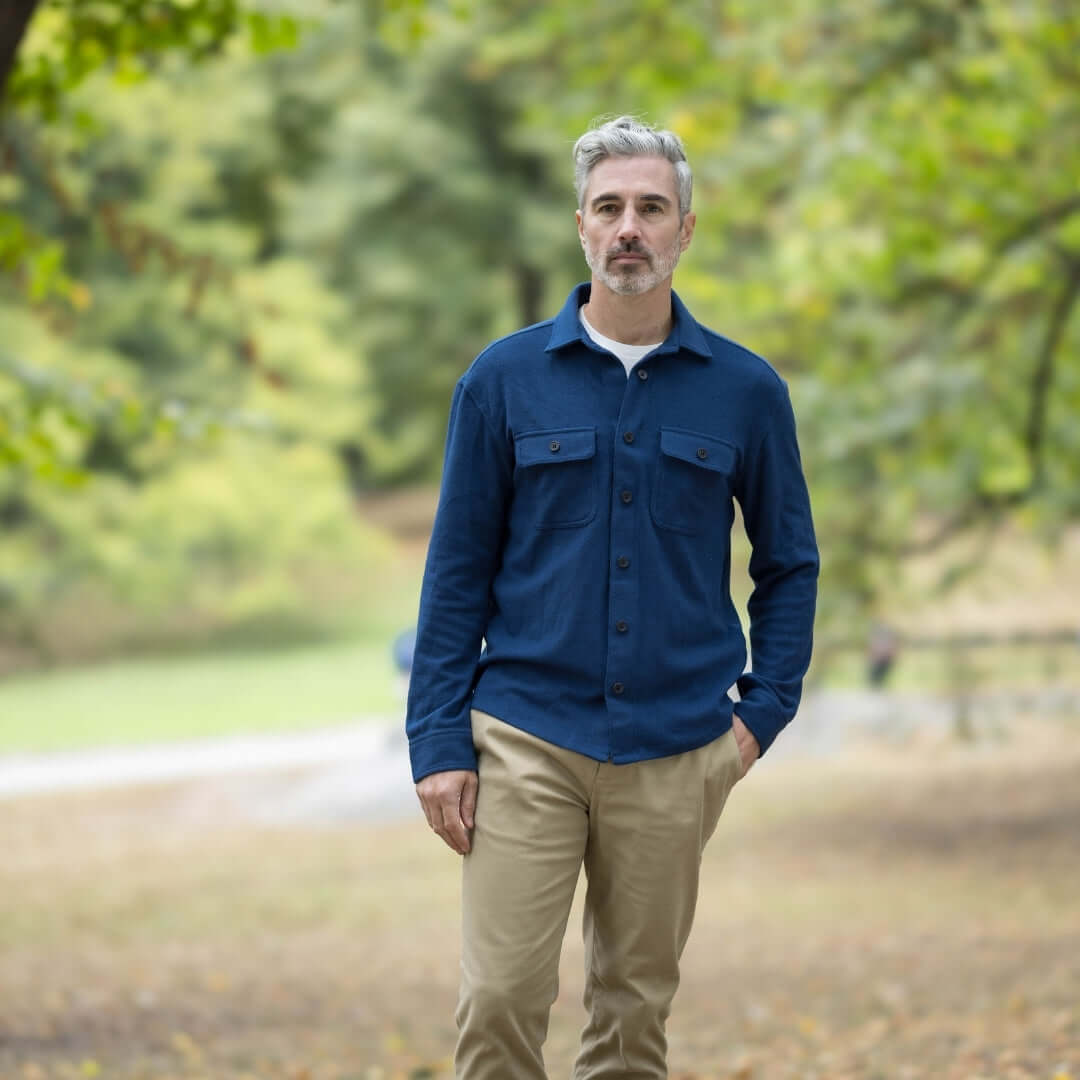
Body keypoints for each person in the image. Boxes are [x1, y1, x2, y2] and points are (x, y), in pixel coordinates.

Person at [406, 115, 819, 1079]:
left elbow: (789, 564)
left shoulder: (747, 391)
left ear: (685, 230)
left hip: (677, 747)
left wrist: (761, 715)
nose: (629, 227)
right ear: (581, 226)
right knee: (500, 998)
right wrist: (436, 743)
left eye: (651, 208)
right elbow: (455, 570)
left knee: (634, 1017)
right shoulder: (502, 381)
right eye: (609, 208)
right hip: (525, 736)